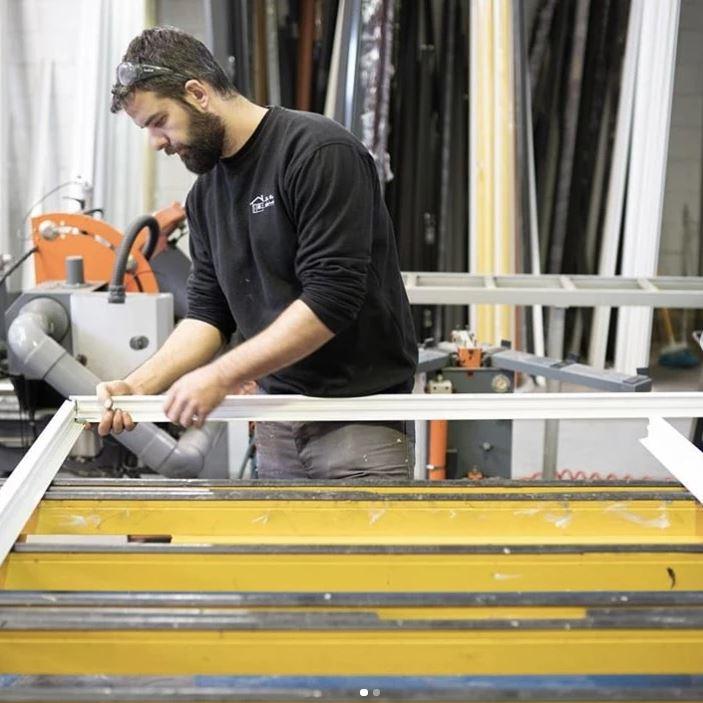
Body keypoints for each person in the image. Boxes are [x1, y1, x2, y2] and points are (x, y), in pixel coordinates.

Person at [99, 26, 417, 479]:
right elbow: (208, 315)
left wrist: (221, 375)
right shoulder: (205, 196)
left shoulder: (317, 152)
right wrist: (137, 386)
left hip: (359, 420)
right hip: (278, 421)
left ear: (198, 94)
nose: (156, 142)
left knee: (365, 531)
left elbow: (331, 299)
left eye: (159, 121)